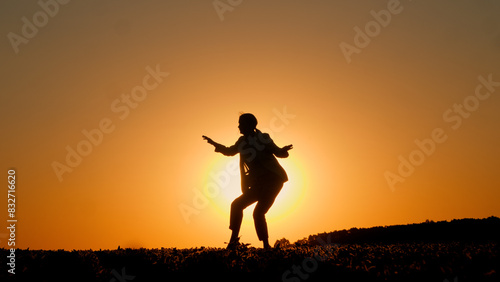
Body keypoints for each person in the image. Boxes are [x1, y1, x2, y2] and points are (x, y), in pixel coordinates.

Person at [202, 113, 293, 249]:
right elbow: (229, 151)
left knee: (258, 212)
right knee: (237, 205)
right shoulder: (242, 142)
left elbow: (278, 152)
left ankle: (266, 245)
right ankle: (234, 241)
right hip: (258, 183)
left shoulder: (263, 138)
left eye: (241, 123)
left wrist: (284, 151)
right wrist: (213, 143)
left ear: (250, 125)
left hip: (273, 180)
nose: (238, 126)